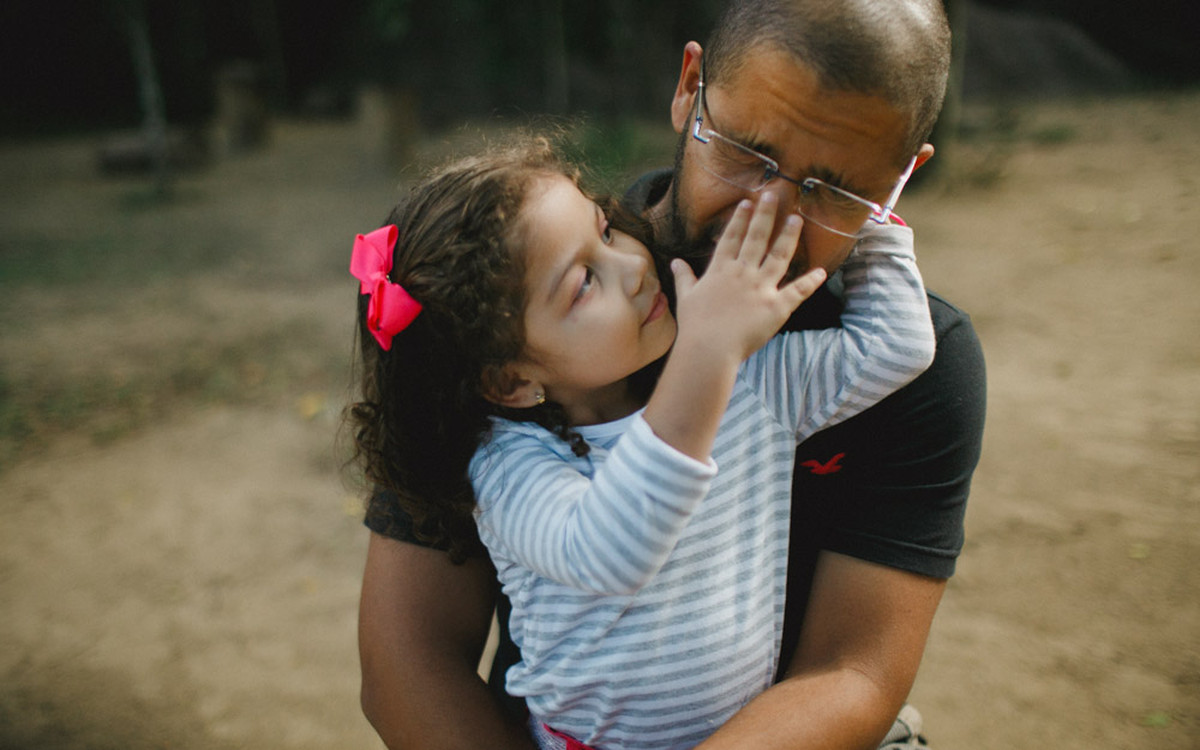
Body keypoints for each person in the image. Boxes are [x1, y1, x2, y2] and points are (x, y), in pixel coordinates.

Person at [356, 1, 987, 748]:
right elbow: (409, 657)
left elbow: (853, 675)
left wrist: (872, 226)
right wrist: (707, 351)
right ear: (690, 88)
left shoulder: (816, 370)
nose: (768, 214)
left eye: (835, 189)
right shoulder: (517, 296)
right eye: (747, 153)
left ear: (896, 182)